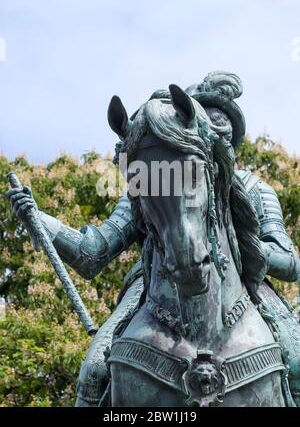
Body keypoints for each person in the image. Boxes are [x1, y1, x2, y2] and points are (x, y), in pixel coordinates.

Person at [6, 71, 300, 406]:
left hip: (247, 294)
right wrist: (38, 218)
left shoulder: (256, 188)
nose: (219, 123)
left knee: (297, 361)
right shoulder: (152, 181)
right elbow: (93, 251)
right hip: (150, 294)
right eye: (209, 114)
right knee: (94, 371)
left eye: (226, 118)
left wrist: (240, 246)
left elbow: (290, 262)